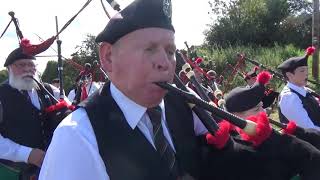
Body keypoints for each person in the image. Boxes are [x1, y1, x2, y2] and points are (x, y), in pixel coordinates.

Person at [223, 71, 320, 180]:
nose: (263, 112)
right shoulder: (233, 150)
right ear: (236, 116)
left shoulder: (273, 138)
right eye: (256, 109)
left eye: (261, 107)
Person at [0, 46, 68, 179]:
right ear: (9, 68)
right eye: (21, 65)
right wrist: (25, 153)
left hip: (48, 169)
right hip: (12, 172)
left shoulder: (50, 90)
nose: (27, 69)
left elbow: (72, 115)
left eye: (31, 65)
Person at [278, 46, 320, 130]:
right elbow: (308, 129)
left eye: (306, 70)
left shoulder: (304, 90)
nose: (306, 74)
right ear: (289, 75)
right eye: (302, 71)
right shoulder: (289, 97)